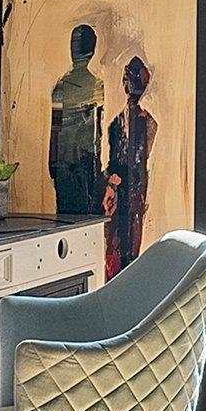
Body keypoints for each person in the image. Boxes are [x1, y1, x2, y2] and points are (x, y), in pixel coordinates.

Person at [103, 55, 157, 277]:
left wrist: (112, 184)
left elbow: (119, 162)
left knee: (125, 244)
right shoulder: (123, 122)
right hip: (129, 190)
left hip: (132, 191)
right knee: (122, 244)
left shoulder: (140, 122)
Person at [48, 23, 105, 217]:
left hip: (78, 160)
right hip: (73, 160)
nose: (74, 49)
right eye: (73, 44)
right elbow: (55, 127)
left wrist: (53, 158)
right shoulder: (66, 85)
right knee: (72, 215)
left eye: (77, 45)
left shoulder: (91, 85)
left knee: (74, 215)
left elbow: (98, 129)